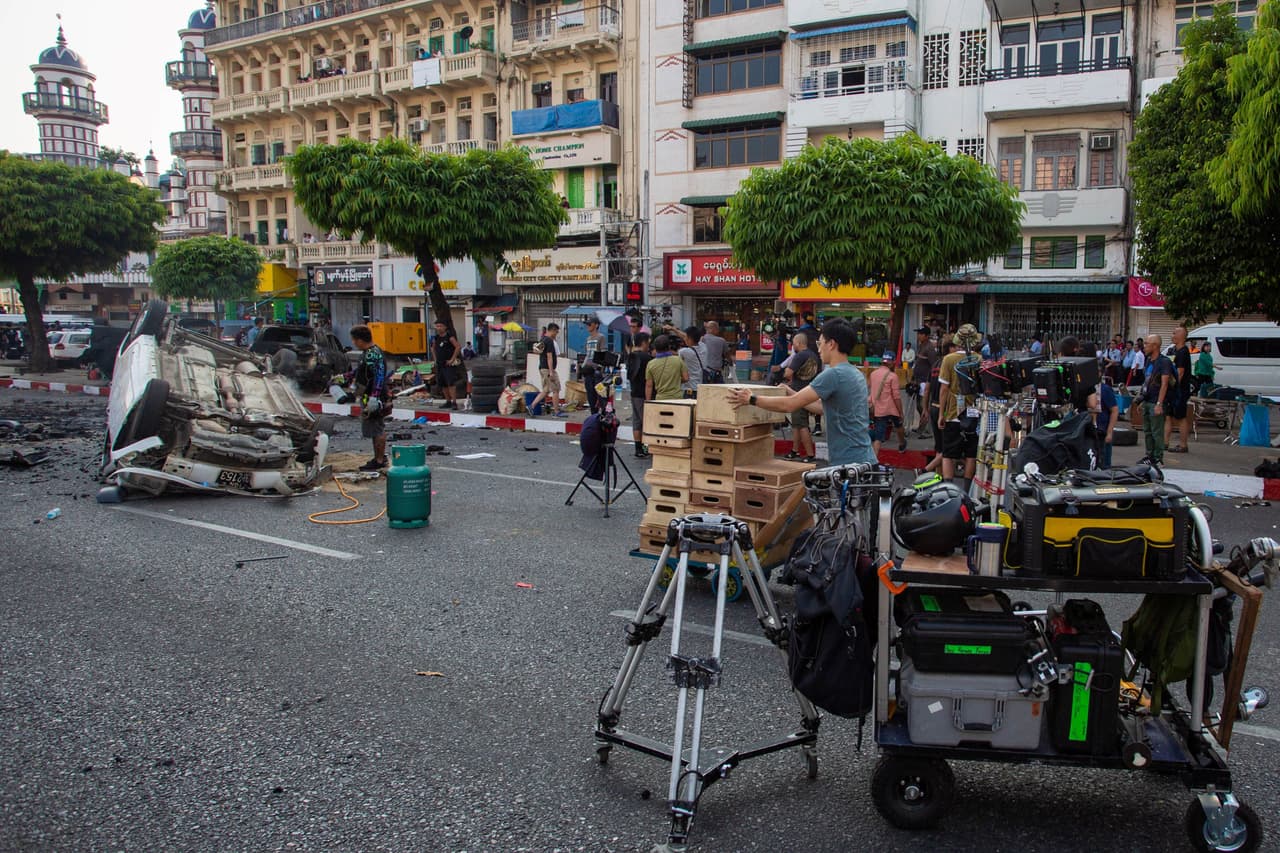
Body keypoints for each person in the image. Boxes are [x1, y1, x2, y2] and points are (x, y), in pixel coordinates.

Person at [730, 319, 876, 466]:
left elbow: (789, 406)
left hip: (849, 462)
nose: (818, 349)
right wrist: (791, 392)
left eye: (820, 343)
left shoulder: (833, 374)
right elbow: (821, 407)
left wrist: (751, 399)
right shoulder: (856, 373)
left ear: (831, 344)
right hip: (864, 459)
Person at [937, 323, 982, 488]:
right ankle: (967, 489)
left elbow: (944, 389)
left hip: (953, 413)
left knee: (948, 453)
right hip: (974, 412)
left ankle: (949, 488)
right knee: (971, 453)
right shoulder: (978, 359)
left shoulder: (948, 359)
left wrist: (941, 413)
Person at [349, 324, 392, 471]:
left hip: (376, 396)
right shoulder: (367, 353)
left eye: (354, 340)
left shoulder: (374, 353)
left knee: (377, 427)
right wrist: (344, 377)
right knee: (373, 428)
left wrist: (374, 397)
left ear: (360, 340)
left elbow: (379, 376)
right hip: (369, 395)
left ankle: (379, 460)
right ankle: (378, 457)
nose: (353, 343)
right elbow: (360, 372)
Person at [783, 332, 821, 462]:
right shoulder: (814, 356)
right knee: (797, 424)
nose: (793, 345)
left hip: (798, 393)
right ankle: (795, 450)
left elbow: (788, 373)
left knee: (802, 425)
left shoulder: (799, 356)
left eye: (793, 343)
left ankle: (810, 455)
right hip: (811, 391)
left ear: (799, 343)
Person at [1139, 334, 1175, 465]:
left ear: (1155, 346)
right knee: (1147, 430)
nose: (1145, 346)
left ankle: (1158, 457)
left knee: (1156, 431)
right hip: (1148, 400)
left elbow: (1164, 384)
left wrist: (1159, 403)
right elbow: (1147, 381)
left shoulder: (1164, 362)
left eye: (1147, 343)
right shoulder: (1149, 360)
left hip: (1156, 402)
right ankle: (1149, 455)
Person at [923, 340, 957, 474]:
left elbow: (927, 389)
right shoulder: (950, 364)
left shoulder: (935, 364)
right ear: (950, 348)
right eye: (956, 347)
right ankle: (925, 471)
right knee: (949, 448)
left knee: (939, 447)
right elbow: (945, 389)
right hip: (945, 410)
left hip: (933, 408)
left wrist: (925, 408)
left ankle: (937, 478)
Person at [869, 350, 906, 455]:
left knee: (878, 437)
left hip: (879, 410)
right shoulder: (893, 376)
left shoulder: (873, 374)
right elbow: (896, 397)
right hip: (892, 409)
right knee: (899, 425)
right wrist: (901, 412)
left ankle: (873, 462)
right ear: (892, 362)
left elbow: (872, 392)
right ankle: (902, 444)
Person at [1165, 325, 1193, 454]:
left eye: (1174, 333)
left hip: (1180, 390)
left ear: (1181, 336)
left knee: (1181, 417)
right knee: (1168, 416)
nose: (1172, 335)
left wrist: (1174, 388)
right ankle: (1165, 442)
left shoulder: (1183, 352)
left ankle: (1183, 445)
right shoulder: (1173, 351)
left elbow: (1180, 373)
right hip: (1171, 389)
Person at [626, 332, 652, 458]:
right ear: (644, 342)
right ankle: (647, 447)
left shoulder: (630, 356)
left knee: (637, 421)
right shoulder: (647, 358)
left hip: (633, 392)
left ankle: (638, 448)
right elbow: (649, 379)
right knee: (647, 421)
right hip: (644, 393)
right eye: (648, 342)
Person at [530, 322, 565, 417]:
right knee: (556, 389)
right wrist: (551, 372)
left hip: (542, 367)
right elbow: (549, 357)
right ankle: (557, 412)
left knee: (546, 390)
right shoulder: (549, 341)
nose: (556, 334)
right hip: (548, 369)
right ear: (552, 330)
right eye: (556, 332)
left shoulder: (543, 339)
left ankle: (531, 406)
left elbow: (536, 351)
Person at [645, 333, 687, 402]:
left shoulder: (651, 364)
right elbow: (686, 378)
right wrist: (675, 380)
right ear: (669, 346)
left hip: (660, 399)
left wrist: (648, 402)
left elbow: (649, 385)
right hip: (677, 399)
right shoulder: (678, 360)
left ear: (655, 348)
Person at [431, 320, 462, 410]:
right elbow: (432, 348)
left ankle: (454, 402)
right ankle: (448, 401)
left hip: (448, 363)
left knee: (450, 383)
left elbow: (458, 347)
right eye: (437, 326)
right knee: (442, 383)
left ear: (445, 327)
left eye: (441, 326)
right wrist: (435, 359)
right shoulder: (436, 338)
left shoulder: (449, 337)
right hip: (440, 363)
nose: (439, 328)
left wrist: (452, 359)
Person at [911, 327, 936, 437]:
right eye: (918, 334)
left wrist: (930, 381)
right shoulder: (921, 346)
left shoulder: (930, 348)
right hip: (918, 380)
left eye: (921, 334)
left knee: (924, 406)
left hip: (925, 382)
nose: (918, 336)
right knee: (918, 406)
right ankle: (922, 427)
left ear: (926, 336)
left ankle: (928, 430)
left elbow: (934, 365)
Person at [580, 318, 607, 414]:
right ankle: (593, 414)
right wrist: (582, 368)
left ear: (596, 325)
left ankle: (604, 413)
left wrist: (600, 369)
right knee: (590, 394)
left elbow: (603, 353)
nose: (588, 326)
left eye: (590, 324)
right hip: (588, 370)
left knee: (600, 394)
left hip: (597, 371)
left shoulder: (601, 337)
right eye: (587, 324)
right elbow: (587, 354)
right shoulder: (588, 339)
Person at [1096, 376, 1120, 468]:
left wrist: (1109, 432)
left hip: (1103, 430)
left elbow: (1114, 410)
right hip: (1090, 431)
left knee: (1104, 464)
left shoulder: (1105, 389)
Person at [678, 325, 708, 398]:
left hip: (689, 389)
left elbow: (679, 367)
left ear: (689, 338)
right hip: (700, 387)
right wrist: (674, 329)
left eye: (685, 337)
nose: (684, 339)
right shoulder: (704, 347)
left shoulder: (683, 352)